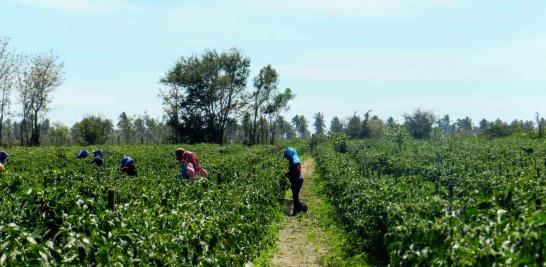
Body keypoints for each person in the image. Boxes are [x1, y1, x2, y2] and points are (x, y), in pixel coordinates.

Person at [284, 147, 304, 216]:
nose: (286, 158)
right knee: (295, 197)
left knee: (295, 197)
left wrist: (288, 174)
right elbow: (293, 171)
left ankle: (300, 209)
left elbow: (297, 173)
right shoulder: (293, 160)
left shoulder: (295, 162)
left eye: (287, 157)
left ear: (289, 156)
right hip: (296, 181)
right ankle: (297, 211)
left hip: (297, 181)